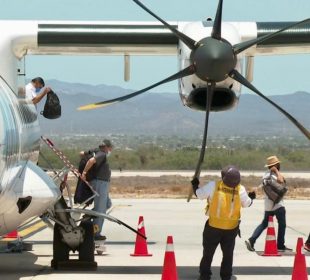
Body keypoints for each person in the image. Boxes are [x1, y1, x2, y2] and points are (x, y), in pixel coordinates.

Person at [192, 165, 255, 280]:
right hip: (231, 228)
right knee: (228, 254)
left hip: (213, 226)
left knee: (208, 253)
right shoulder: (240, 189)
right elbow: (247, 204)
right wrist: (252, 198)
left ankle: (205, 275)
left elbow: (199, 194)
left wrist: (195, 185)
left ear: (223, 176)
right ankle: (226, 276)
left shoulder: (213, 186)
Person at [245, 155, 292, 252]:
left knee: (264, 224)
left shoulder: (265, 174)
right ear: (276, 165)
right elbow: (281, 180)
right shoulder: (274, 174)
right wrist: (276, 171)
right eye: (278, 164)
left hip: (268, 205)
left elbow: (260, 186)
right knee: (282, 224)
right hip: (278, 204)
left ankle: (252, 240)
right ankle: (280, 245)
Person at [81, 139, 113, 241]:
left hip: (102, 183)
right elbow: (91, 161)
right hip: (100, 183)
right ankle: (96, 233)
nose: (110, 150)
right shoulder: (102, 154)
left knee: (107, 204)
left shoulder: (94, 151)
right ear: (106, 147)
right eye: (110, 147)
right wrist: (84, 173)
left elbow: (81, 153)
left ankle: (88, 215)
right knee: (100, 210)